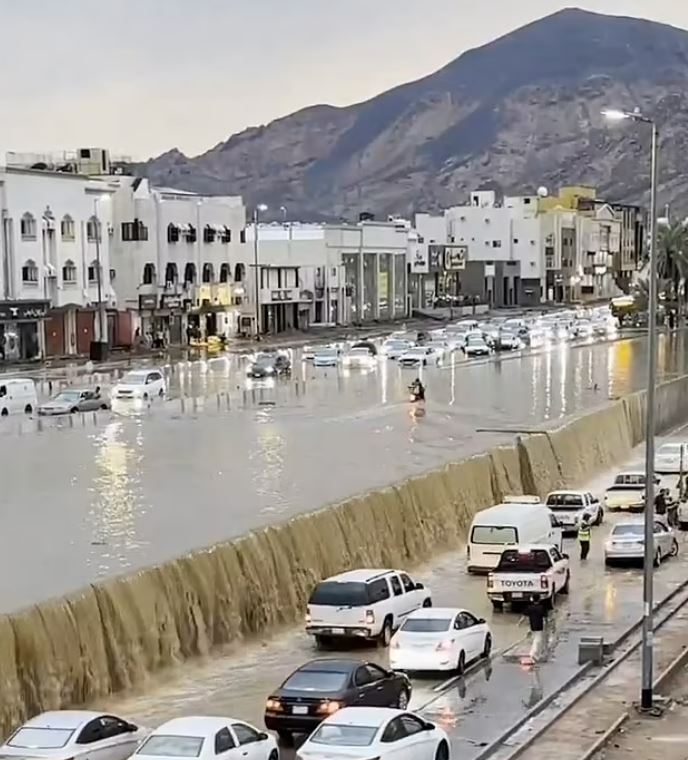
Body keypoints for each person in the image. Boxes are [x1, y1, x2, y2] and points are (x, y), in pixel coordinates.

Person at [526, 595, 547, 662]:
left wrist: (520, 623)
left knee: (535, 639)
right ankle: (532, 654)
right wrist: (546, 624)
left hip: (532, 626)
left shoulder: (530, 607)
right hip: (539, 626)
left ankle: (535, 654)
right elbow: (545, 617)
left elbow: (525, 616)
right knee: (537, 640)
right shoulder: (541, 608)